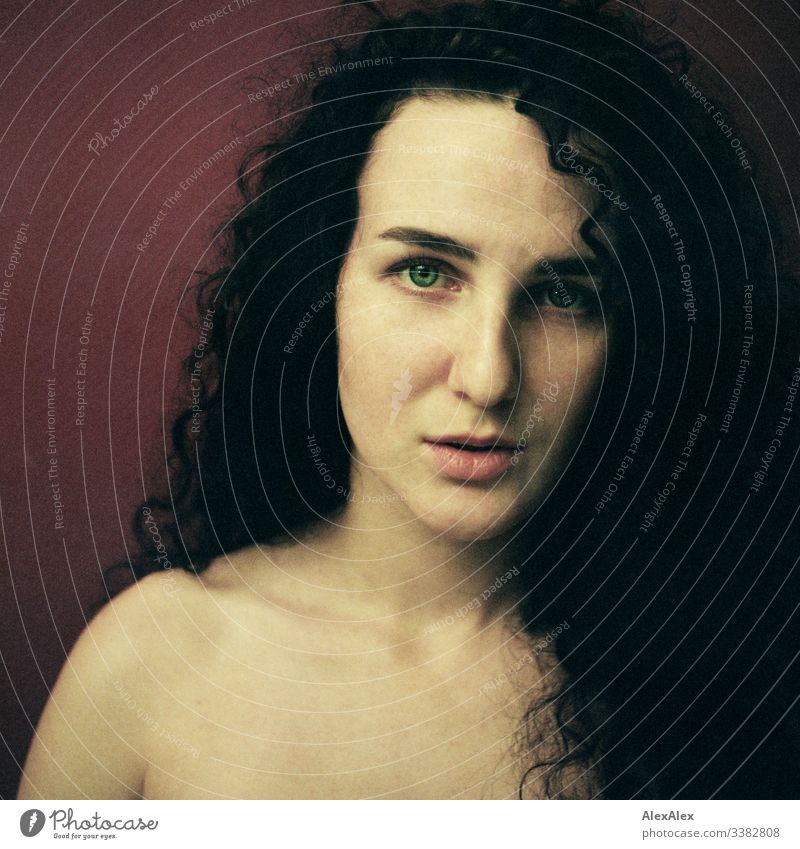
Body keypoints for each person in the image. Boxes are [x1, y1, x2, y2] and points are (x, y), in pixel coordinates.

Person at [18, 0, 800, 800]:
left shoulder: (717, 678)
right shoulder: (156, 662)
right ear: (322, 289)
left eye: (564, 292)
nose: (489, 377)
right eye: (426, 271)